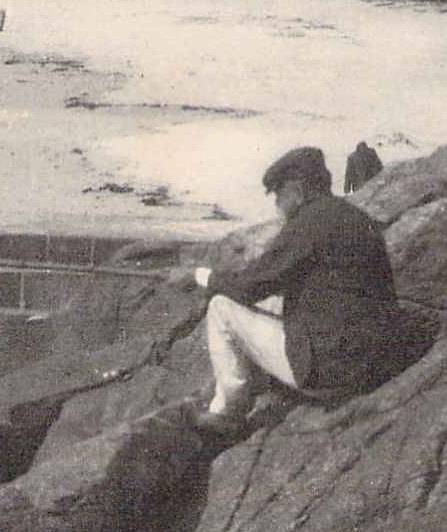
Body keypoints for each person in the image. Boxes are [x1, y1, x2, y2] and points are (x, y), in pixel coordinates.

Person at [173, 147, 410, 435]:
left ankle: (227, 413)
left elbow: (251, 286)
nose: (277, 204)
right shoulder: (355, 217)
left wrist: (199, 277)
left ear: (297, 190)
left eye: (278, 194)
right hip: (377, 363)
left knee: (222, 308)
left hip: (334, 373)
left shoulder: (307, 224)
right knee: (275, 302)